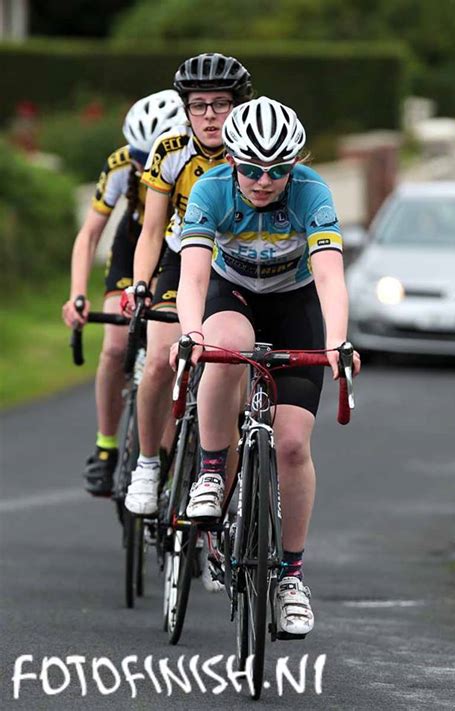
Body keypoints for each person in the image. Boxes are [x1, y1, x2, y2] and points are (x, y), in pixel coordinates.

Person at [170, 96, 361, 637]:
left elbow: (328, 277)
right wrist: (190, 333)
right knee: (224, 342)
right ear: (231, 160)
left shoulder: (310, 192)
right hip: (234, 295)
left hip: (295, 303)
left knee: (294, 444)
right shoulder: (210, 191)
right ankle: (211, 471)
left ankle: (291, 578)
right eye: (251, 169)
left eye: (277, 171)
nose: (262, 180)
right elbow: (194, 278)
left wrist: (338, 342)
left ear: (293, 165)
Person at [122, 53, 253, 518]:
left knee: (234, 392)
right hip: (184, 258)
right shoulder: (170, 149)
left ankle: (224, 510)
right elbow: (152, 229)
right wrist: (141, 285)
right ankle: (148, 463)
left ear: (239, 107)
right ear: (186, 109)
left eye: (221, 104)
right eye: (199, 105)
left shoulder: (252, 151)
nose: (210, 115)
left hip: (236, 263)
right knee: (159, 358)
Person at [62, 90, 186, 496]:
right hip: (135, 243)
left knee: (168, 352)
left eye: (146, 156)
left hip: (182, 248)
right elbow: (89, 235)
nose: (139, 164)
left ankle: (169, 456)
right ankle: (105, 448)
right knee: (116, 346)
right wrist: (77, 294)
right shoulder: (121, 165)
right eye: (136, 153)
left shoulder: (191, 160)